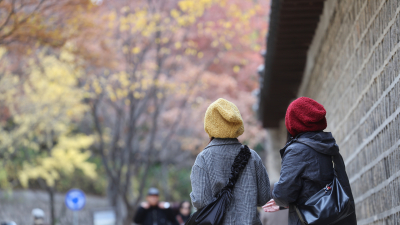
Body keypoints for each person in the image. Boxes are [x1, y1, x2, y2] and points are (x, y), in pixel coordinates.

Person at [262, 97, 357, 225]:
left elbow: (284, 193)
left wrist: (277, 198)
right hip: (335, 217)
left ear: (292, 123)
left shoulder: (297, 150)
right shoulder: (328, 145)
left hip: (308, 220)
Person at [190, 98, 270, 225]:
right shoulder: (252, 156)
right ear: (237, 124)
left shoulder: (203, 158)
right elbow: (264, 198)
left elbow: (201, 201)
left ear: (210, 125)